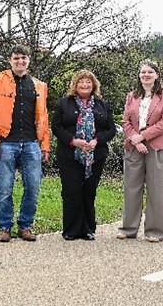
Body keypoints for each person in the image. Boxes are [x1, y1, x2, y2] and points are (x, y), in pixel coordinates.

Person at [0, 44, 50, 242]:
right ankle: (4, 227)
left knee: (33, 187)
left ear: (29, 60)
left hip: (31, 143)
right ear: (10, 60)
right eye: (16, 58)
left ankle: (25, 225)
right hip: (5, 143)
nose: (20, 61)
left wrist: (44, 145)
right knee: (5, 187)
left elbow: (43, 117)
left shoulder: (39, 86)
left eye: (24, 58)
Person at [51, 70, 116, 241]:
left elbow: (111, 129)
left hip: (96, 155)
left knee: (89, 192)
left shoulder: (102, 105)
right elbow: (56, 127)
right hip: (70, 154)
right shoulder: (64, 103)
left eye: (88, 82)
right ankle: (71, 229)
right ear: (75, 84)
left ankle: (88, 228)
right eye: (81, 82)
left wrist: (96, 141)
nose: (85, 85)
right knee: (71, 191)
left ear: (94, 85)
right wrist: (73, 141)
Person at [116, 59, 163, 243]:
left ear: (156, 75)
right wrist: (135, 139)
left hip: (158, 146)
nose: (146, 75)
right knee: (131, 187)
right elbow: (125, 121)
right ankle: (128, 228)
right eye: (143, 72)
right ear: (139, 75)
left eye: (150, 72)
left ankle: (155, 231)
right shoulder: (131, 96)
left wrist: (143, 137)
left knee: (157, 190)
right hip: (134, 146)